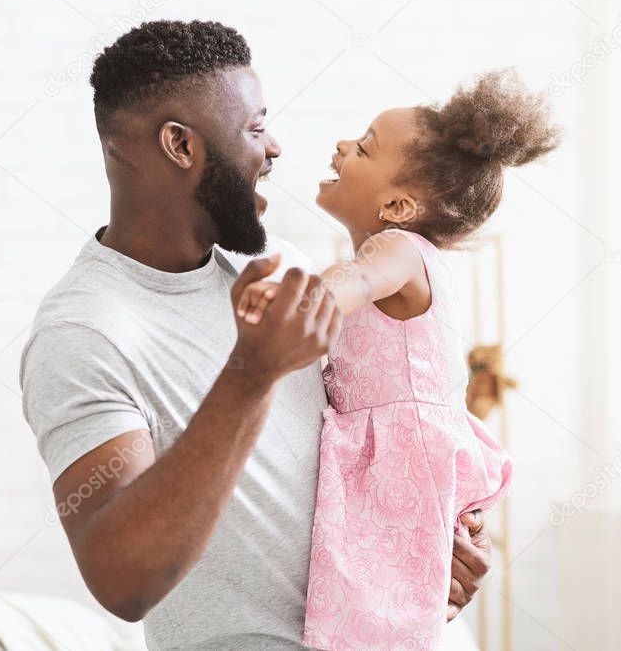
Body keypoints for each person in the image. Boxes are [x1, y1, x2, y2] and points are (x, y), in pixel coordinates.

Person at [19, 20, 491, 650]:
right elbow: (121, 580)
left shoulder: (278, 265)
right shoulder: (86, 331)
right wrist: (250, 375)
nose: (275, 149)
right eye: (255, 127)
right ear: (181, 146)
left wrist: (426, 540)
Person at [238, 69, 559, 649]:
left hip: (398, 452)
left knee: (369, 604)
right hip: (403, 449)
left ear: (398, 204)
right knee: (383, 602)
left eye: (363, 147)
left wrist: (299, 299)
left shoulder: (398, 250)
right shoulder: (413, 255)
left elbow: (356, 281)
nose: (341, 146)